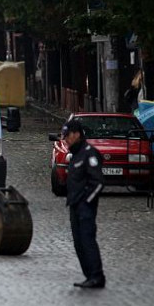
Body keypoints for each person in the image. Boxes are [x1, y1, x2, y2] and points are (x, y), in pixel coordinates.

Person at [63, 119, 106, 289]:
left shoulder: (89, 153)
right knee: (78, 243)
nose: (66, 139)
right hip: (74, 205)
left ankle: (97, 276)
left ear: (77, 134)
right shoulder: (76, 154)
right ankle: (89, 275)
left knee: (87, 240)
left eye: (68, 136)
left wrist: (87, 202)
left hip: (85, 207)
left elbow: (98, 182)